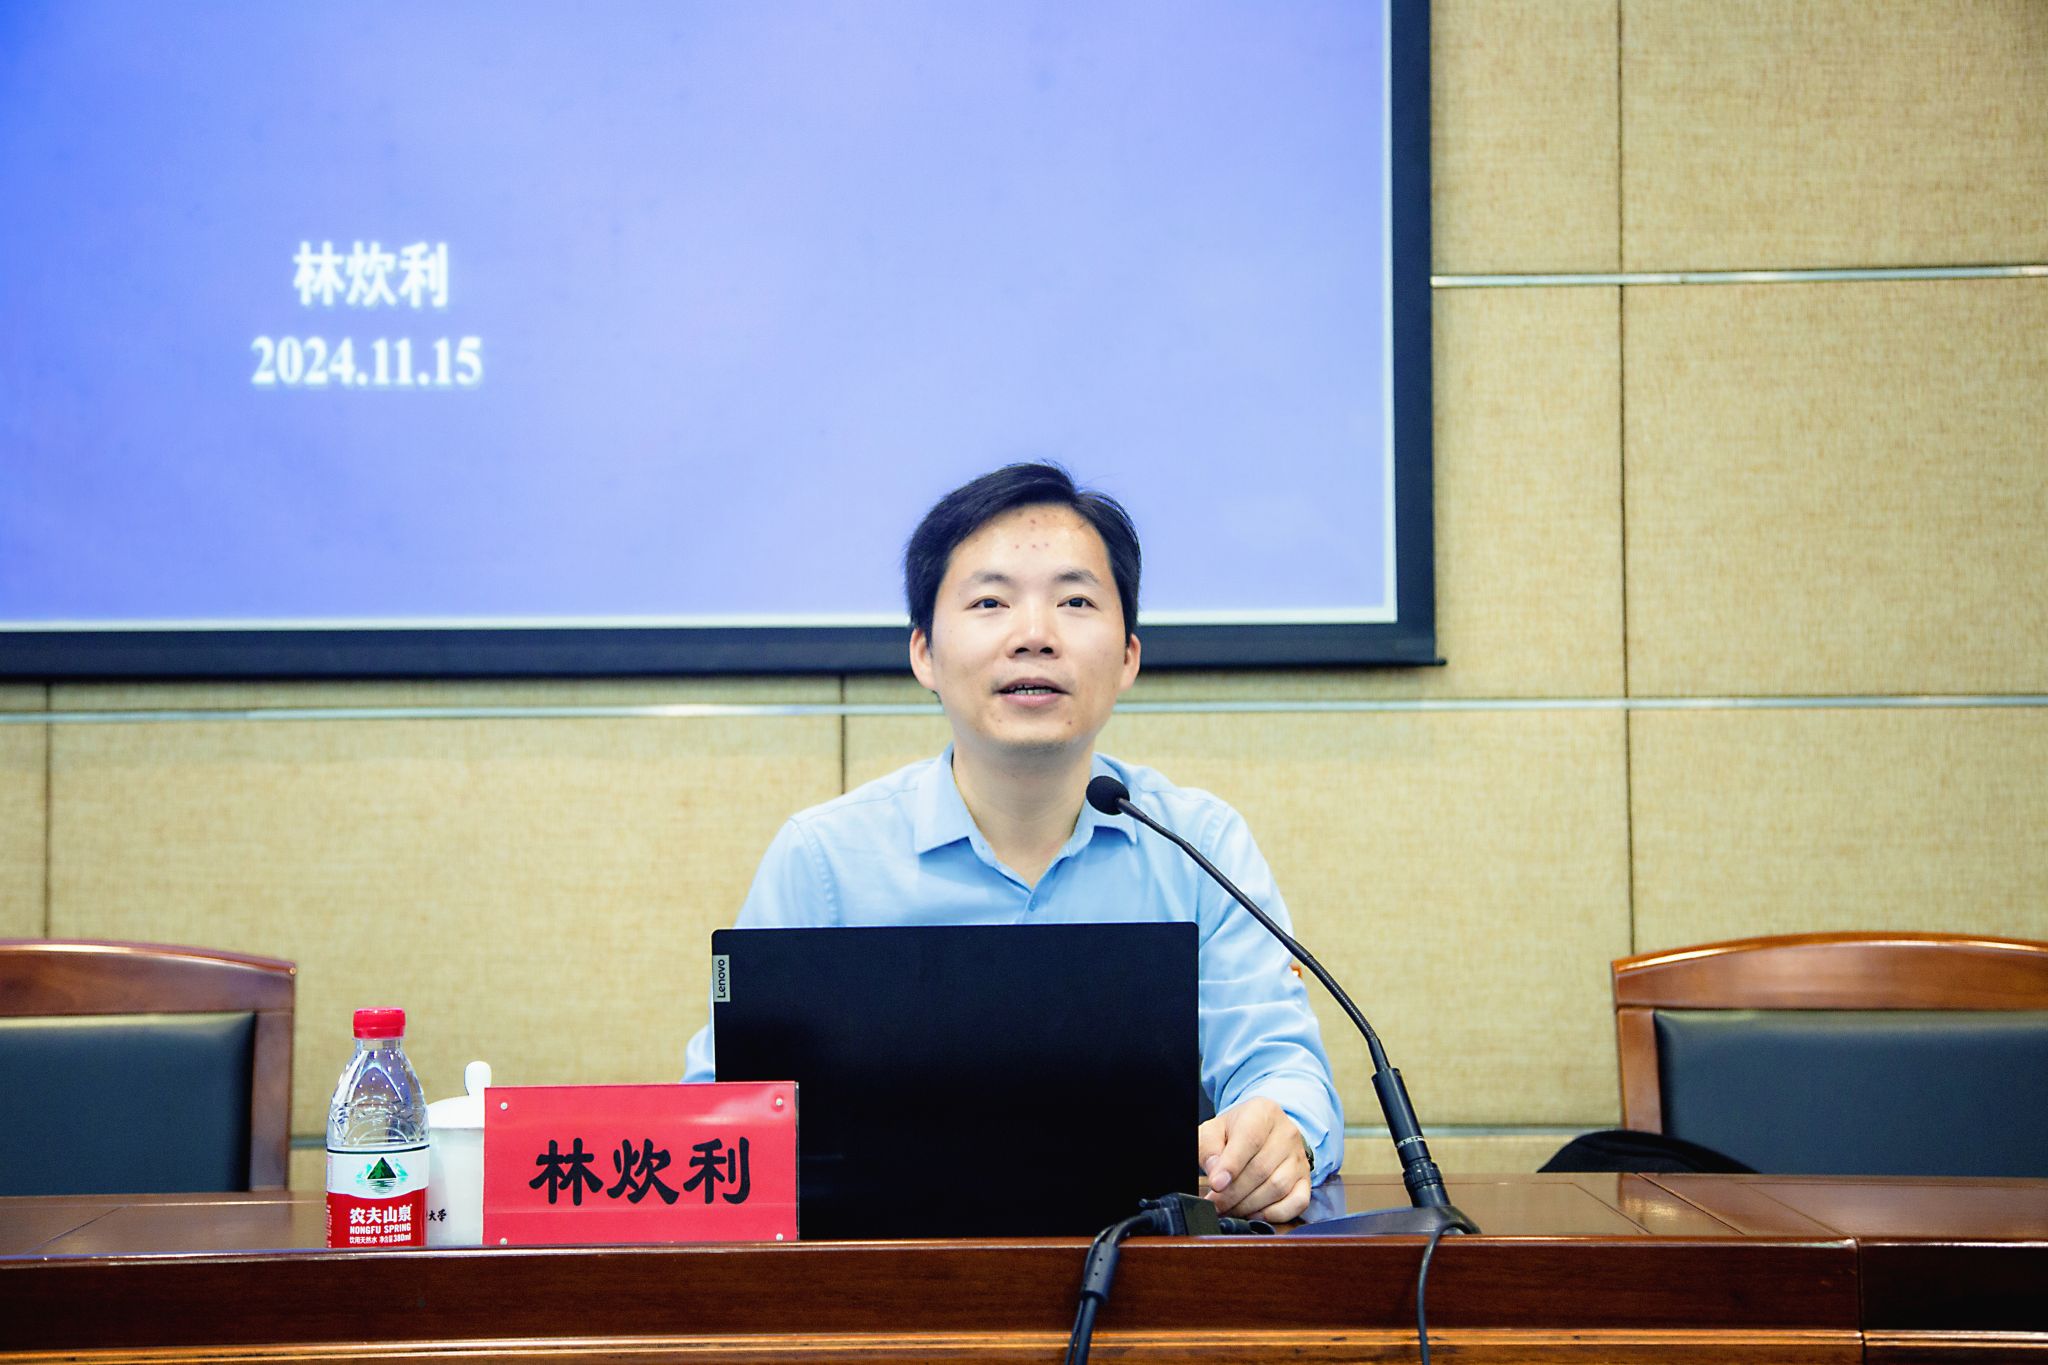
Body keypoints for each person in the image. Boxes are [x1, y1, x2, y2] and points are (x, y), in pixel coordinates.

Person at [683, 462, 1341, 1221]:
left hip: (1145, 1273)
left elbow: (1280, 1065)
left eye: (1075, 601)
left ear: (1129, 655)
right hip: (886, 1276)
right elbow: (718, 1109)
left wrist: (1280, 1134)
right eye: (990, 601)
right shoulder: (825, 860)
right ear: (924, 653)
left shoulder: (1198, 845)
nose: (1035, 636)